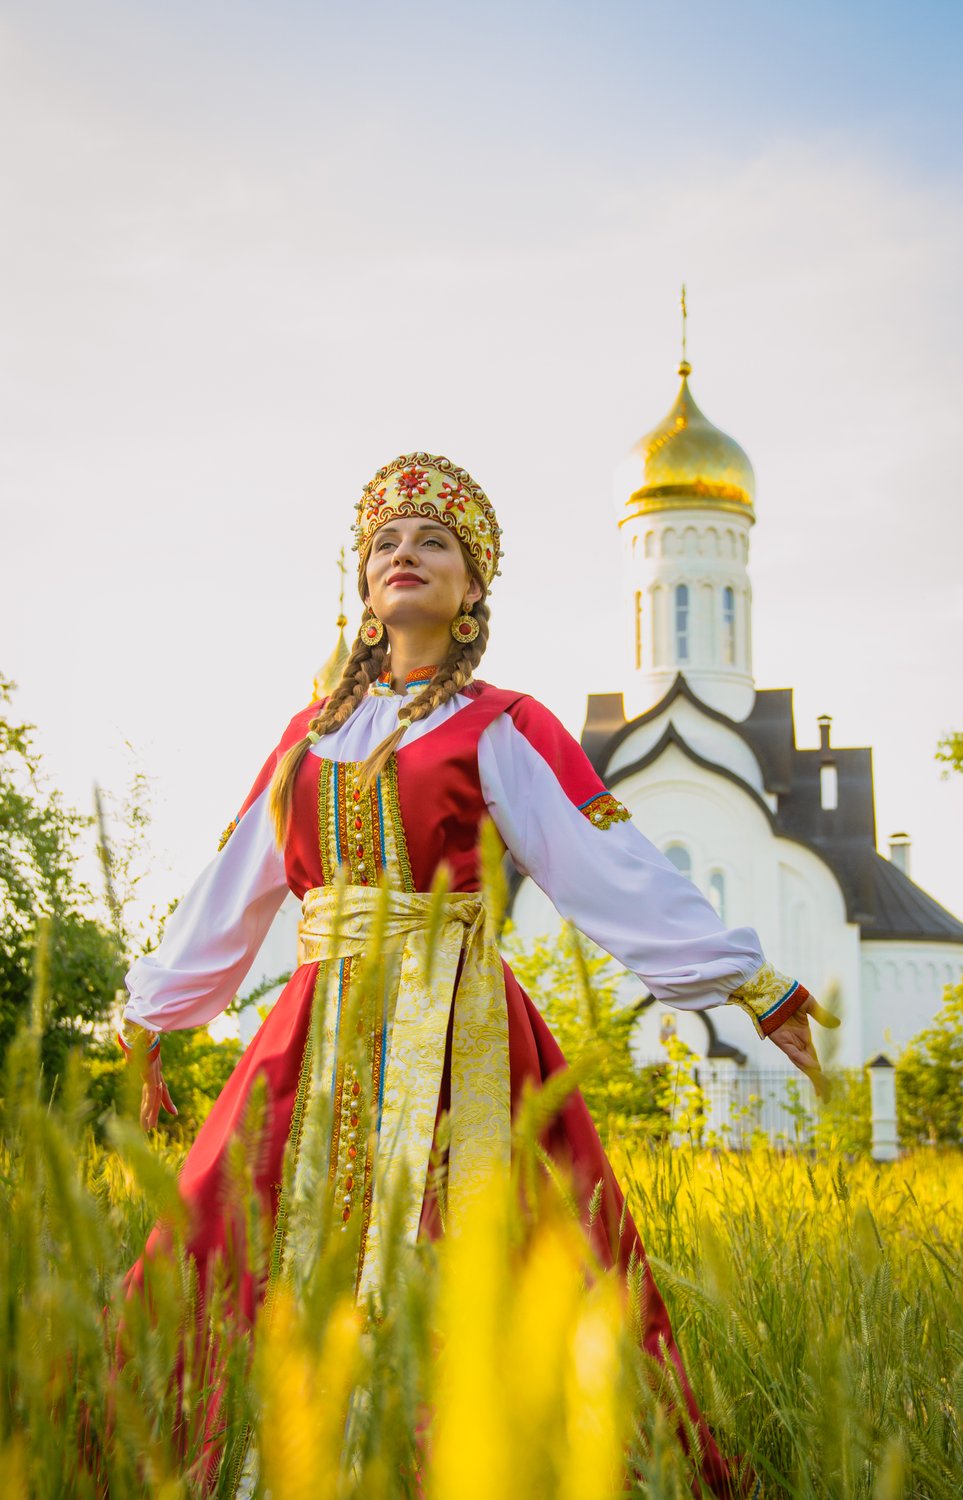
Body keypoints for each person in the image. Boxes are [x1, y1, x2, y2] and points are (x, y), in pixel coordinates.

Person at [119, 452, 836, 1497]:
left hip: (465, 1038)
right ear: (364, 589)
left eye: (434, 542)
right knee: (235, 1245)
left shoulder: (505, 725)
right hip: (314, 1039)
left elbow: (610, 867)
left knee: (490, 1263)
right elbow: (234, 885)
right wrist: (152, 1009)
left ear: (470, 591)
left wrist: (747, 983)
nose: (405, 554)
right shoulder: (311, 736)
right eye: (384, 543)